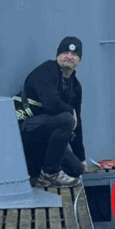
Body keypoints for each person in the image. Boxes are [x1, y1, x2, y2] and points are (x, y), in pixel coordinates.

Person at [14, 36, 89, 188]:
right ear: (57, 55)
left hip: (46, 138)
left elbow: (77, 125)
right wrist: (71, 111)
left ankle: (41, 174)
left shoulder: (75, 87)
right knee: (66, 119)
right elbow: (51, 104)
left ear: (79, 61)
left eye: (74, 54)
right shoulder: (46, 71)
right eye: (66, 52)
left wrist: (81, 158)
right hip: (24, 130)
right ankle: (49, 173)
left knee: (76, 170)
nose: (69, 56)